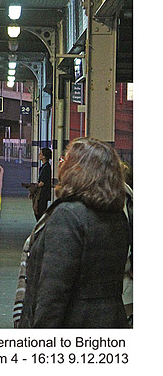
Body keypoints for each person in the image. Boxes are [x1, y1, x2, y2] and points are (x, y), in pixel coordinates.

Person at [17, 137, 130, 328]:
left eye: (66, 160)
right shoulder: (116, 215)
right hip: (111, 320)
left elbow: (53, 293)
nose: (61, 164)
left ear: (79, 170)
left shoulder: (68, 216)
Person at [35, 147, 52, 220]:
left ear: (44, 156)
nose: (39, 155)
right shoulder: (44, 166)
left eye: (41, 154)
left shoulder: (46, 167)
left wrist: (34, 187)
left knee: (40, 211)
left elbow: (42, 183)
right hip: (43, 193)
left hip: (43, 193)